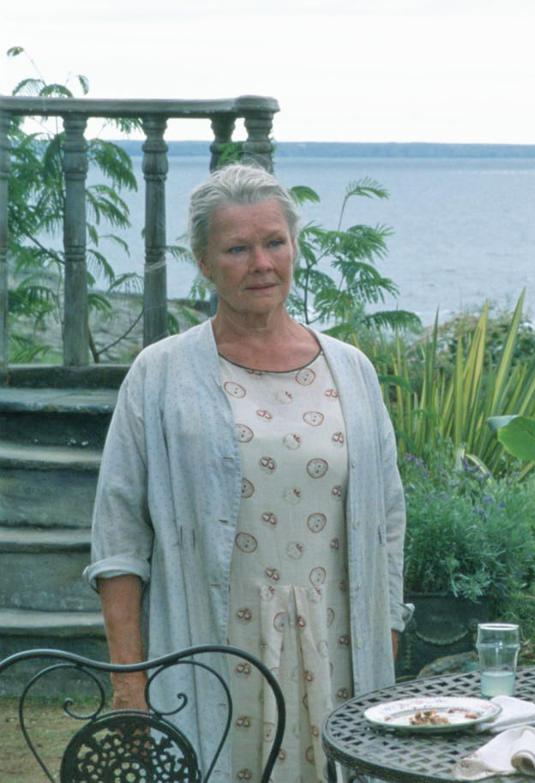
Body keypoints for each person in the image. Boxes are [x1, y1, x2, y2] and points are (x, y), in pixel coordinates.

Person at [86, 163, 412, 782]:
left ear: (294, 247)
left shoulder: (353, 371)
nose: (261, 263)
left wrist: (383, 640)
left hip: (339, 652)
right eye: (237, 248)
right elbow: (119, 540)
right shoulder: (160, 376)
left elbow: (388, 521)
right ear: (205, 263)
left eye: (274, 242)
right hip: (212, 651)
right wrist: (131, 688)